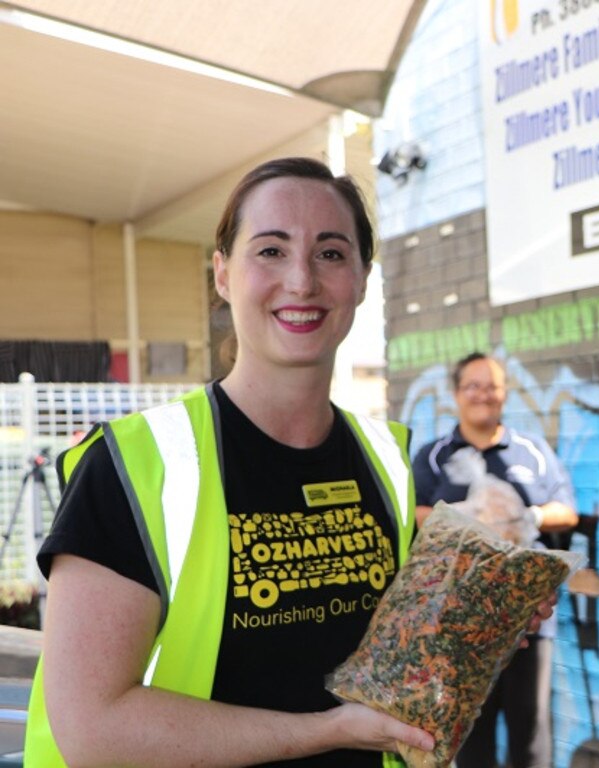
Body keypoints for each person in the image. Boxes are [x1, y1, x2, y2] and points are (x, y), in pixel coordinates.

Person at [24, 157, 551, 767]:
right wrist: (325, 731)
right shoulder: (135, 464)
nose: (301, 281)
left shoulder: (386, 461)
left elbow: (387, 659)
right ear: (222, 273)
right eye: (270, 251)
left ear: (360, 278)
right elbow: (92, 728)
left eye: (330, 253)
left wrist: (488, 609)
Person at [413, 352, 578, 768]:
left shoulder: (532, 451)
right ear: (455, 395)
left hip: (529, 615)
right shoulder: (434, 456)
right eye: (473, 386)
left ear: (505, 394)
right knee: (471, 735)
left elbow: (567, 510)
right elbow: (413, 514)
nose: (483, 395)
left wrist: (527, 516)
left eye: (492, 386)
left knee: (530, 731)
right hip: (462, 619)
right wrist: (472, 516)